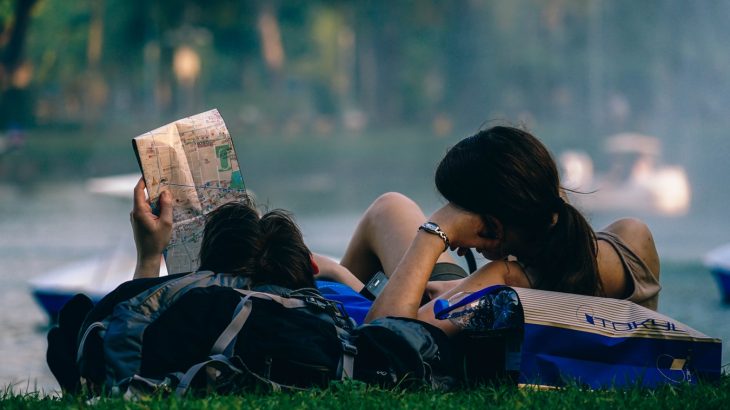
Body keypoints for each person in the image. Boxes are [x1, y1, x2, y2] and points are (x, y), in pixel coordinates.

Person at [317, 126, 661, 335]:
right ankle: (333, 294)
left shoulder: (503, 277)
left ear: (491, 226)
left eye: (458, 211)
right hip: (476, 292)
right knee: (390, 208)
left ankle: (320, 313)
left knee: (387, 209)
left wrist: (435, 232)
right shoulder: (630, 238)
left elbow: (387, 337)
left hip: (441, 324)